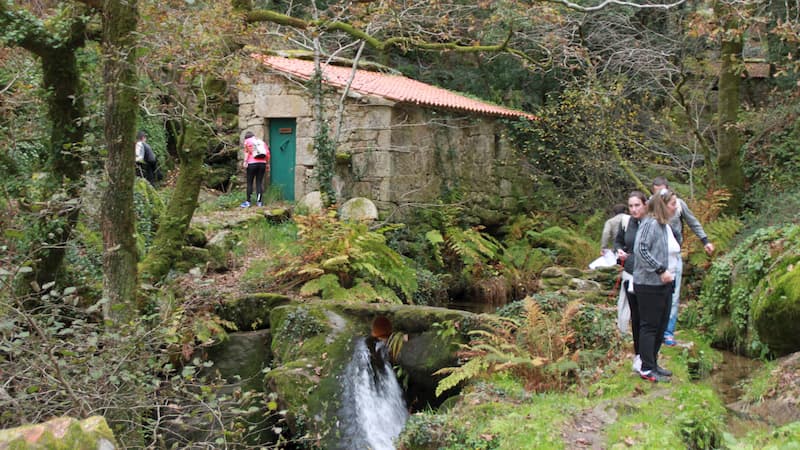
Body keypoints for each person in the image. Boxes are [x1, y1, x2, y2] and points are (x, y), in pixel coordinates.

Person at [651, 176, 714, 346]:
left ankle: (668, 332)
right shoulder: (650, 207)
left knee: (673, 293)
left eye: (663, 193)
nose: (661, 198)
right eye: (657, 194)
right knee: (655, 293)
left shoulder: (678, 206)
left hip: (674, 255)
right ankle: (654, 330)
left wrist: (705, 240)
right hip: (654, 256)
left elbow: (693, 222)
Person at [633, 188, 680, 382]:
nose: (676, 207)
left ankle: (653, 363)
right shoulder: (649, 224)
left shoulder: (662, 225)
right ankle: (646, 368)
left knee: (661, 326)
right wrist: (660, 269)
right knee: (649, 327)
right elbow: (640, 249)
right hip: (647, 284)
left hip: (663, 285)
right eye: (673, 204)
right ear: (663, 205)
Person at [613, 191, 648, 373]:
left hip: (648, 277)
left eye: (637, 205)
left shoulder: (652, 223)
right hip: (629, 275)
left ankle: (648, 356)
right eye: (631, 206)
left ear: (645, 205)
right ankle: (639, 356)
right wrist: (619, 251)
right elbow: (618, 242)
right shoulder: (627, 223)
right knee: (636, 316)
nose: (634, 209)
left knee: (647, 317)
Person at [241, 131, 269, 208]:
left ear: (246, 137)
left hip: (252, 164)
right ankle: (259, 202)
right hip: (262, 164)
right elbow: (267, 153)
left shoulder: (247, 141)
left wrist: (245, 162)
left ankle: (248, 202)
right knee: (259, 182)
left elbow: (247, 152)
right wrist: (266, 163)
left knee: (250, 182)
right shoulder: (261, 142)